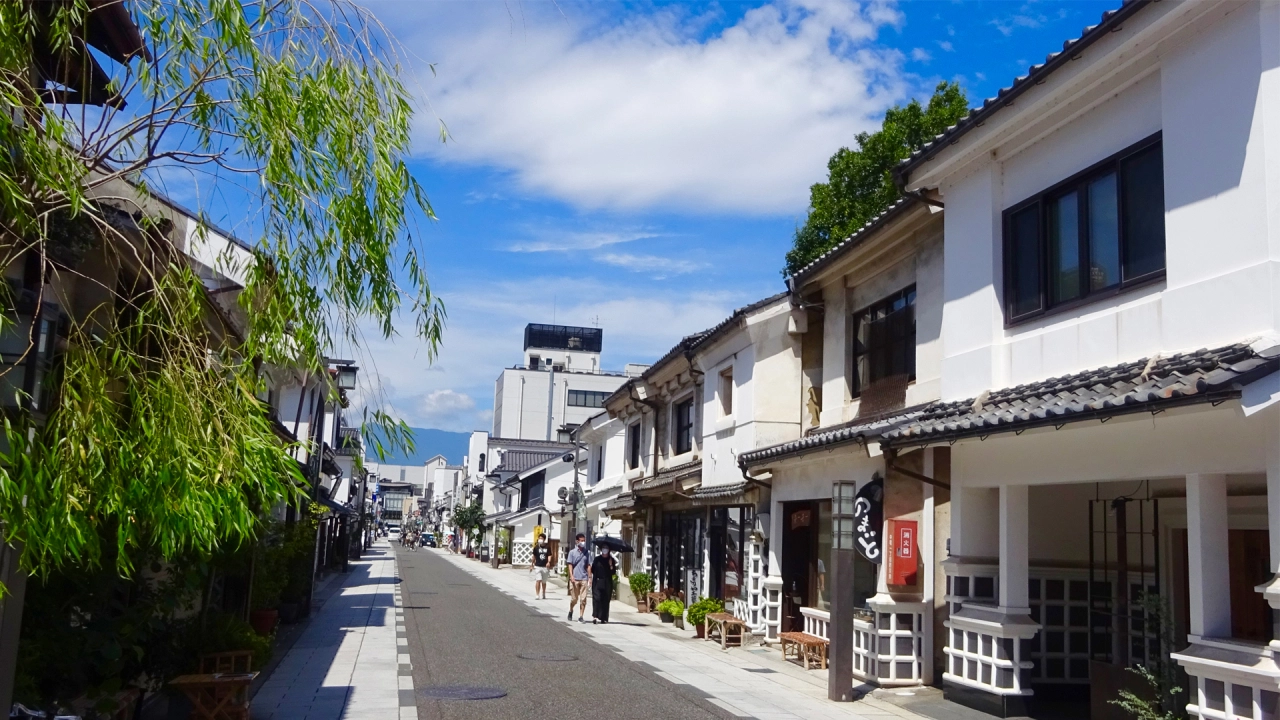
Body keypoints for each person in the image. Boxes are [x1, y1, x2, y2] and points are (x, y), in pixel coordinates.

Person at [589, 546, 618, 624]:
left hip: (607, 582)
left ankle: (603, 617)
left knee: (605, 599)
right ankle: (595, 616)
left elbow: (613, 572)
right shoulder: (597, 559)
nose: (605, 550)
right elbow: (593, 570)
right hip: (597, 580)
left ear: (609, 550)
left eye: (607, 548)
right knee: (596, 598)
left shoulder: (611, 560)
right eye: (603, 548)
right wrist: (590, 578)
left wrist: (611, 565)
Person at [566, 533, 590, 623]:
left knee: (583, 599)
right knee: (574, 599)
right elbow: (570, 564)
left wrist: (589, 577)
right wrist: (571, 576)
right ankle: (571, 610)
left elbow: (588, 565)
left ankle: (581, 616)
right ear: (577, 541)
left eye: (584, 540)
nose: (583, 542)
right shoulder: (572, 552)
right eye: (581, 540)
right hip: (575, 578)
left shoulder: (587, 552)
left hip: (584, 577)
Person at [531, 534, 552, 599]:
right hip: (537, 566)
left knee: (544, 582)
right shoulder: (536, 547)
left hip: (545, 567)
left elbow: (549, 555)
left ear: (544, 539)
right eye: (539, 538)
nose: (540, 539)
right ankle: (537, 594)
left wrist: (548, 562)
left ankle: (543, 592)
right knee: (538, 580)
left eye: (541, 538)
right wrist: (532, 565)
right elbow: (534, 556)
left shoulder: (547, 547)